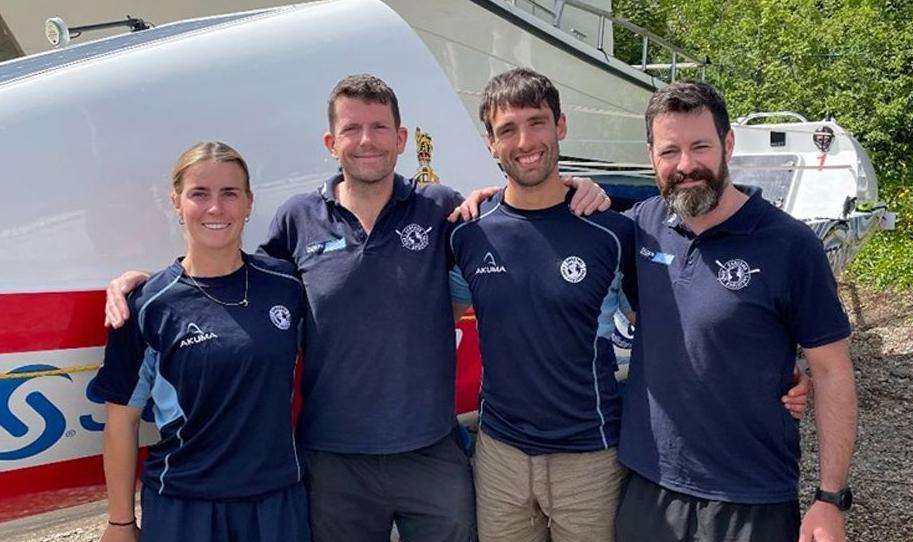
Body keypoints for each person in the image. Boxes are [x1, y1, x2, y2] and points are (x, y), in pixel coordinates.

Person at [103, 74, 610, 542]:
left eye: (379, 127)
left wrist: (577, 190)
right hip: (332, 461)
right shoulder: (297, 218)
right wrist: (150, 282)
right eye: (352, 129)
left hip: (431, 452)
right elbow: (233, 276)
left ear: (401, 138)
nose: (366, 140)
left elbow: (514, 219)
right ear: (332, 143)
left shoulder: (442, 208)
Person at [447, 68, 812, 542]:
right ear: (490, 143)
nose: (525, 140)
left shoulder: (614, 231)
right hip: (499, 455)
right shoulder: (468, 231)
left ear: (561, 126)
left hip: (591, 455)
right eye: (507, 130)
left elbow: (681, 317)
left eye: (537, 122)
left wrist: (774, 374)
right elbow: (440, 328)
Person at [615, 81, 857, 542]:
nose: (685, 165)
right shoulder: (641, 228)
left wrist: (830, 500)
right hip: (649, 485)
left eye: (700, 147)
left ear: (728, 144)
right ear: (651, 156)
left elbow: (832, 373)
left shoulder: (790, 245)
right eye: (670, 151)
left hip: (751, 498)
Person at [94, 142, 309, 542]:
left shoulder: (287, 287)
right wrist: (120, 521)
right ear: (176, 203)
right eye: (199, 194)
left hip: (277, 502)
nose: (215, 208)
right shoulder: (144, 306)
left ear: (248, 203)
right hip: (184, 505)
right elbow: (121, 422)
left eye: (230, 193)